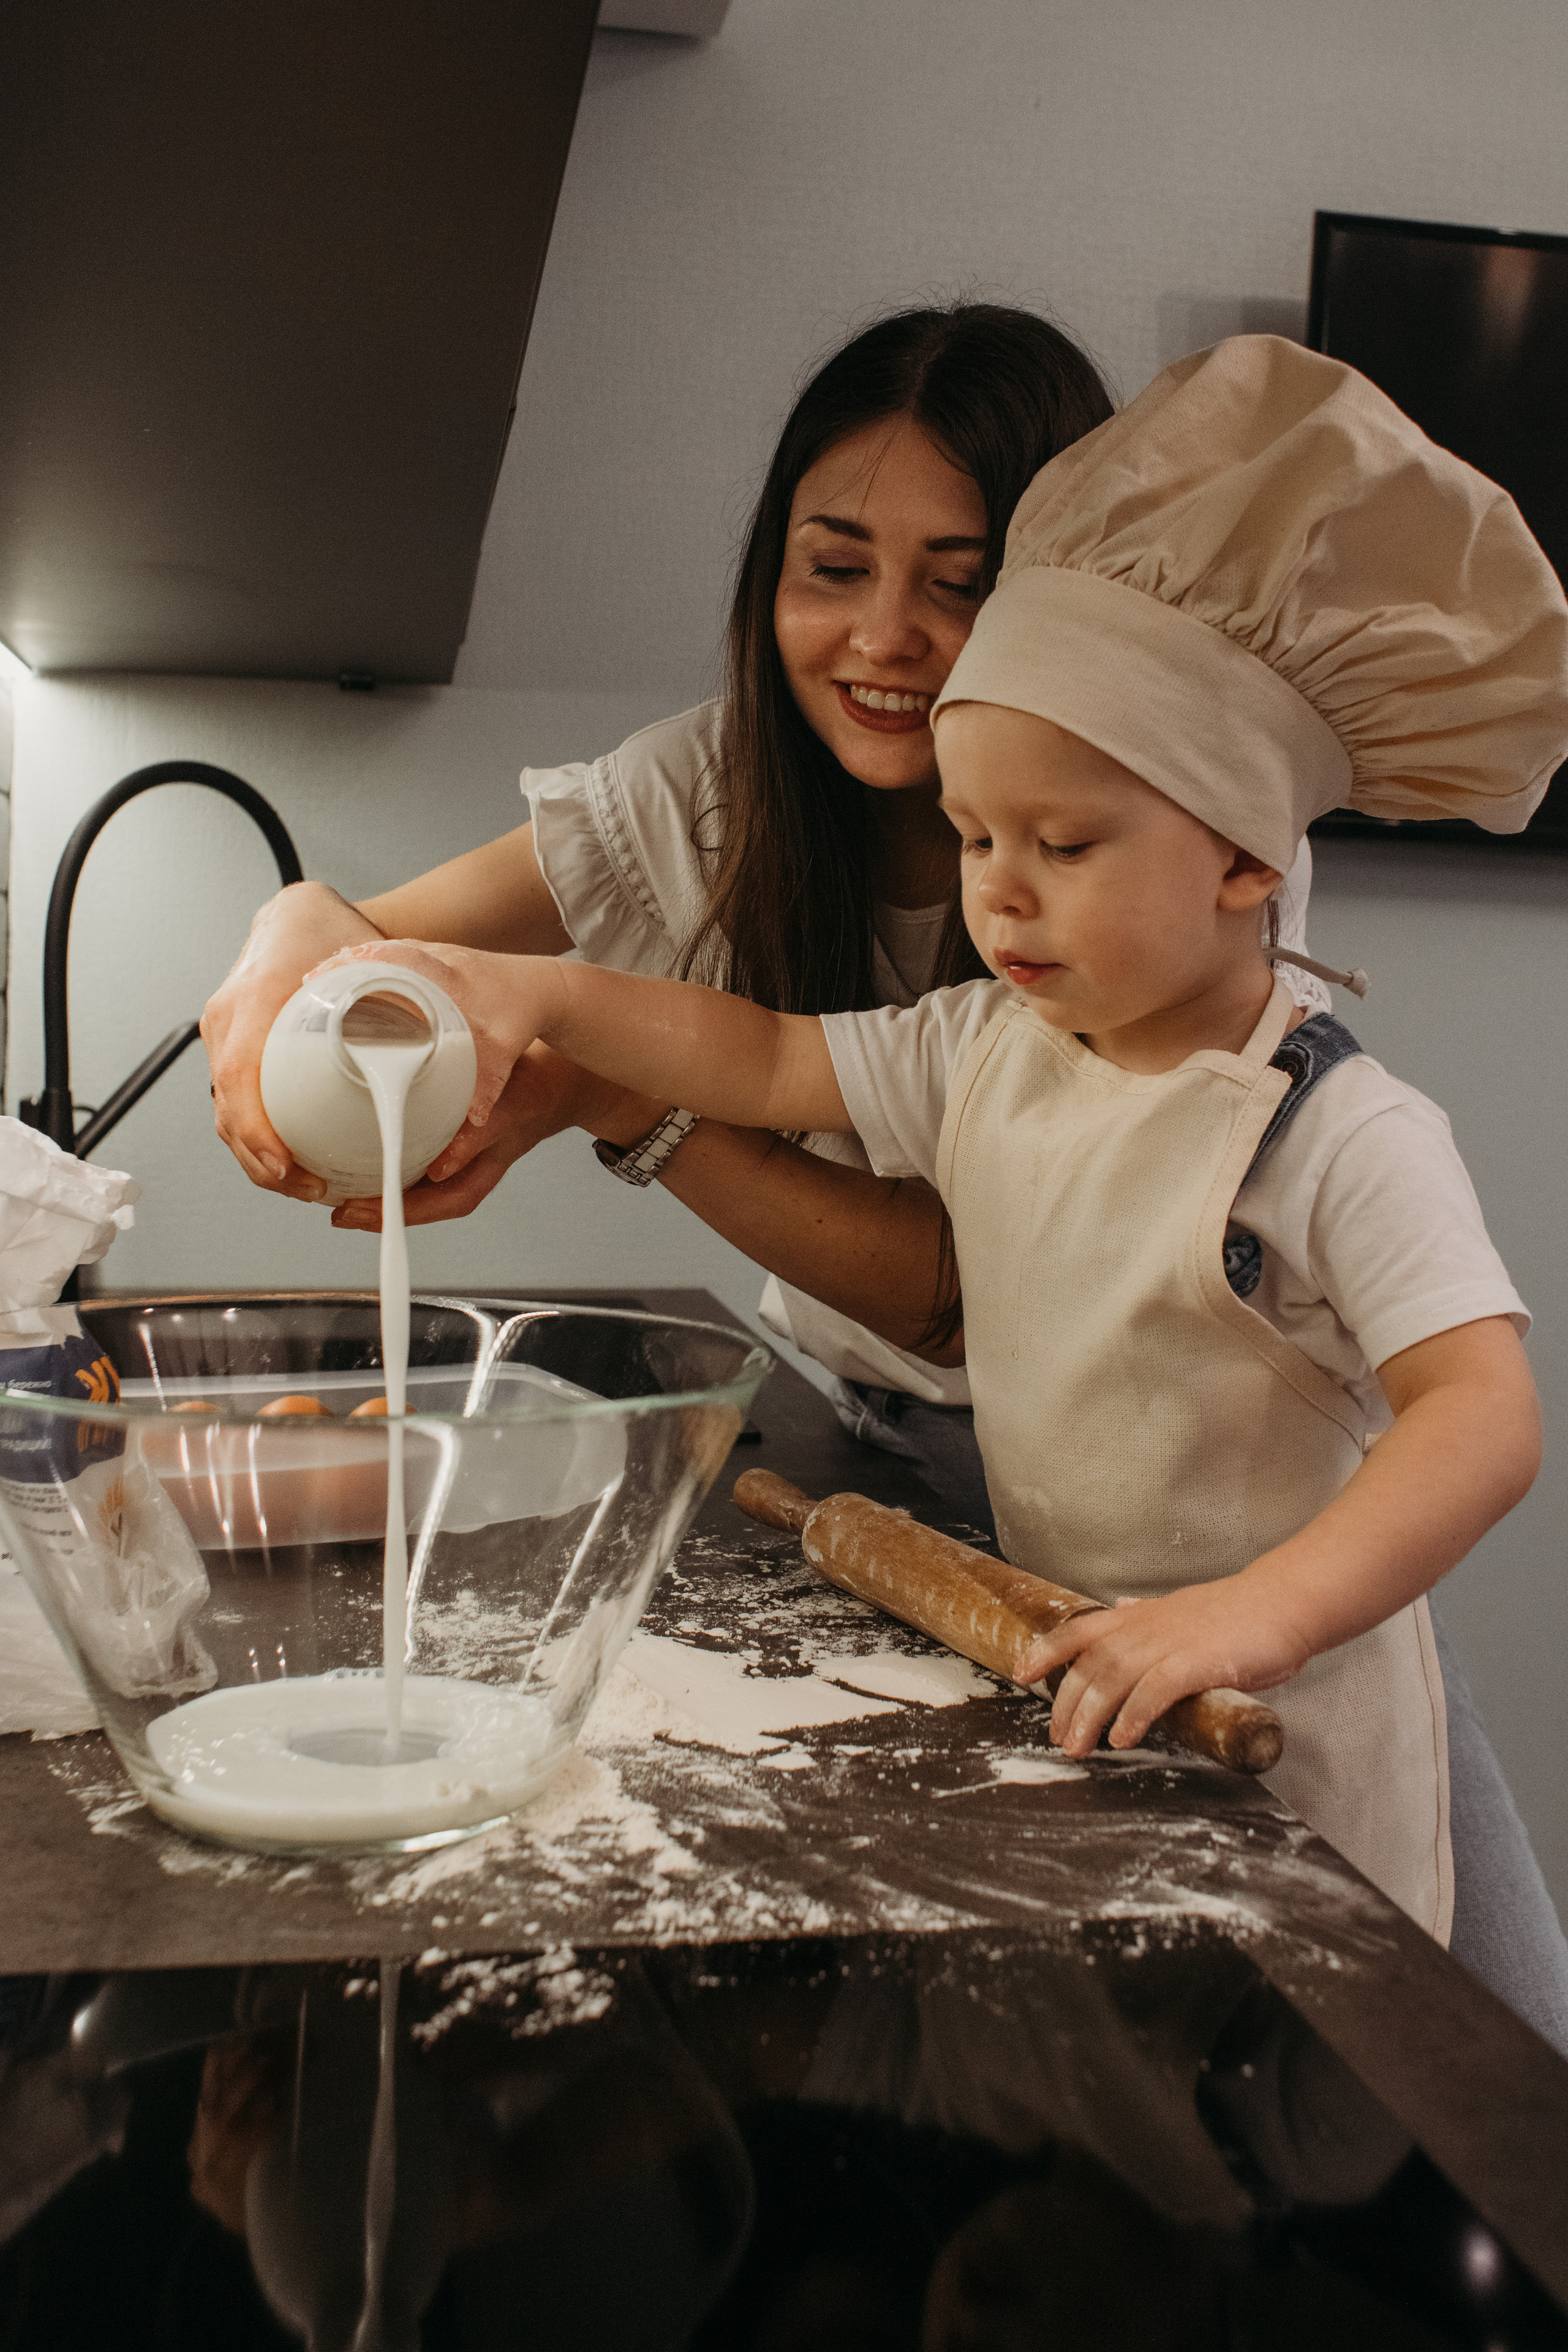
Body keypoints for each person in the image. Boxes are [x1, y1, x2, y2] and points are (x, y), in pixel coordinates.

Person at [202, 311, 1568, 2035]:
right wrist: (332, 972)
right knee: (1092, 2060)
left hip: (1258, 1596)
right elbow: (757, 1054)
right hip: (951, 1499)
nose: (885, 640)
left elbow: (962, 1280)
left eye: (957, 582)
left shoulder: (1263, 1037)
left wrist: (602, 1092)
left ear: (1240, 855)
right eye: (832, 567)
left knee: (1448, 2049)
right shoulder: (959, 981)